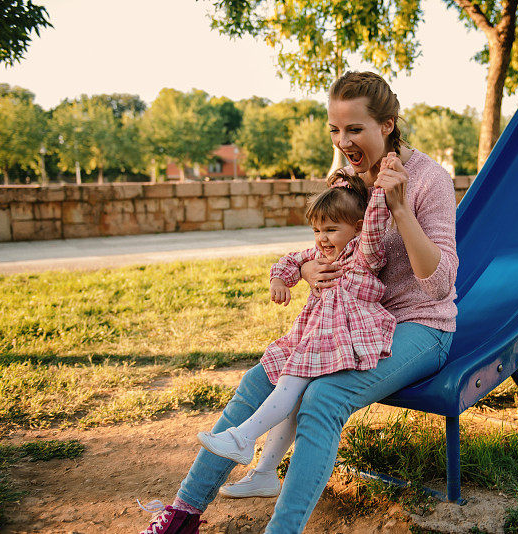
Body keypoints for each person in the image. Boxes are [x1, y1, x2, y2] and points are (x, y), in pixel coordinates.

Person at [137, 70, 458, 534]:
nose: (343, 141)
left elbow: (440, 286)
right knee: (258, 379)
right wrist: (308, 269)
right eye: (334, 129)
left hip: (419, 326)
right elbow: (327, 243)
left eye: (354, 129)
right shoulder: (347, 177)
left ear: (387, 125)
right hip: (353, 321)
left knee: (322, 398)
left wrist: (401, 208)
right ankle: (183, 512)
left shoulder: (430, 181)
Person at [195, 170, 396, 496]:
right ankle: (263, 474)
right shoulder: (319, 256)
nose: (322, 238)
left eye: (332, 229)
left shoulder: (363, 253)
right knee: (295, 395)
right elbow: (290, 260)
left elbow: (375, 228)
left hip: (343, 338)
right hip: (313, 337)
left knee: (289, 383)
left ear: (357, 228)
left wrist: (379, 192)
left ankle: (243, 438)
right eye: (317, 230)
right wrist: (280, 280)